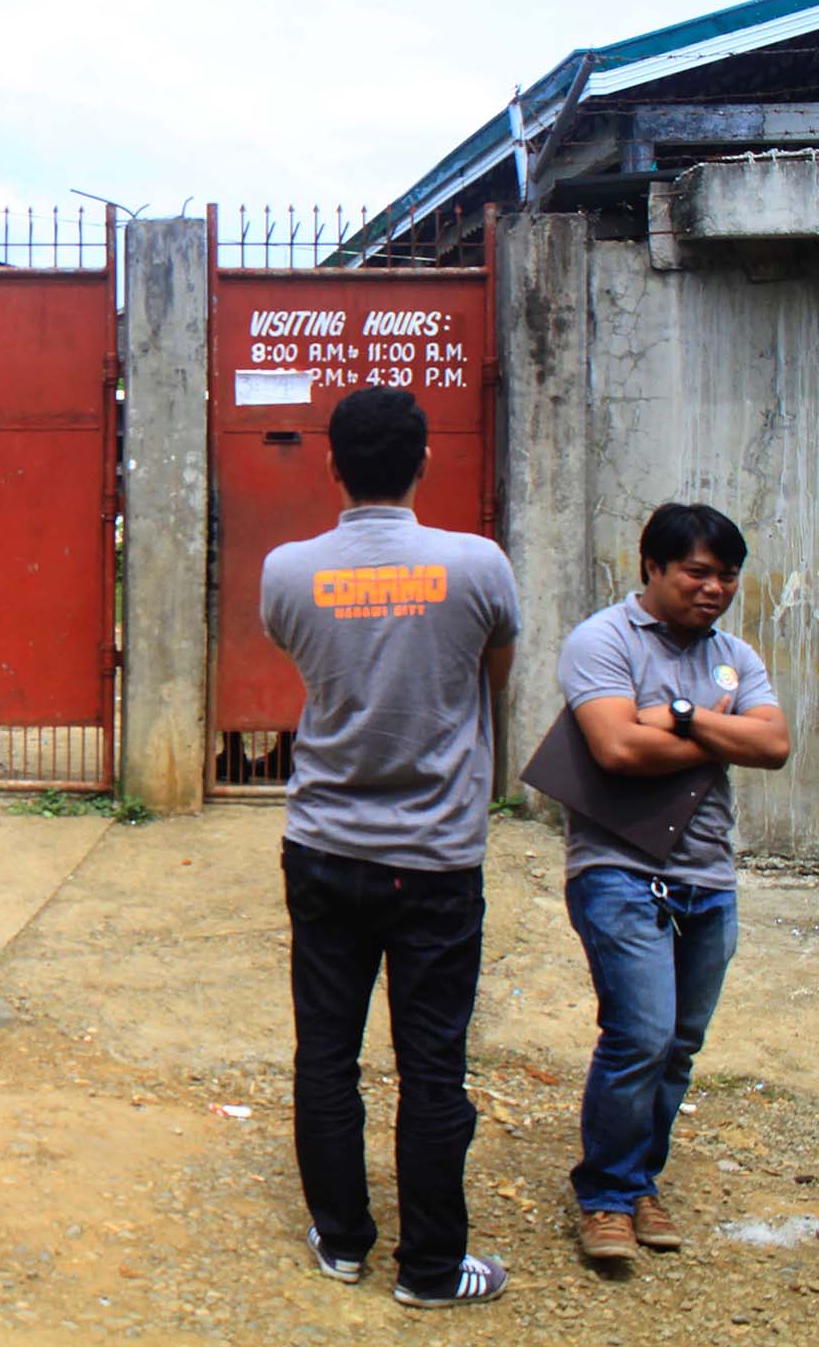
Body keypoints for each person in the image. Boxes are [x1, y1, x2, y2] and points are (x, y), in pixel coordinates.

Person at [259, 385, 520, 1309]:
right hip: (438, 855)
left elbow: (312, 666)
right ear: (426, 461)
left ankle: (341, 1242)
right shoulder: (478, 565)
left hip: (326, 844)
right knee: (433, 1062)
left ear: (333, 464)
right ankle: (432, 1267)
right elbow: (493, 677)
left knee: (325, 1052)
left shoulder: (288, 571)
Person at [557, 503, 789, 1262]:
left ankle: (637, 1178)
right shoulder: (602, 641)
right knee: (640, 1035)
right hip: (617, 867)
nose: (714, 588)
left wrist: (680, 717)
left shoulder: (737, 656)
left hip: (707, 874)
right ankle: (607, 1196)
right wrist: (720, 733)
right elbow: (616, 749)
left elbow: (776, 744)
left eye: (727, 575)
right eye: (697, 571)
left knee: (680, 1046)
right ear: (651, 567)